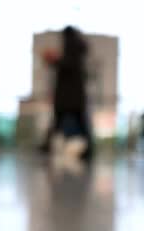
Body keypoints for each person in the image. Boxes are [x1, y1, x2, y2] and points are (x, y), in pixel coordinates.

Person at [41, 26, 93, 159]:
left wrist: (54, 60)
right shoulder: (76, 49)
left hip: (68, 97)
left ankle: (48, 146)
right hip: (73, 97)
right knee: (69, 122)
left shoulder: (72, 48)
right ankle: (48, 146)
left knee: (62, 121)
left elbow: (67, 65)